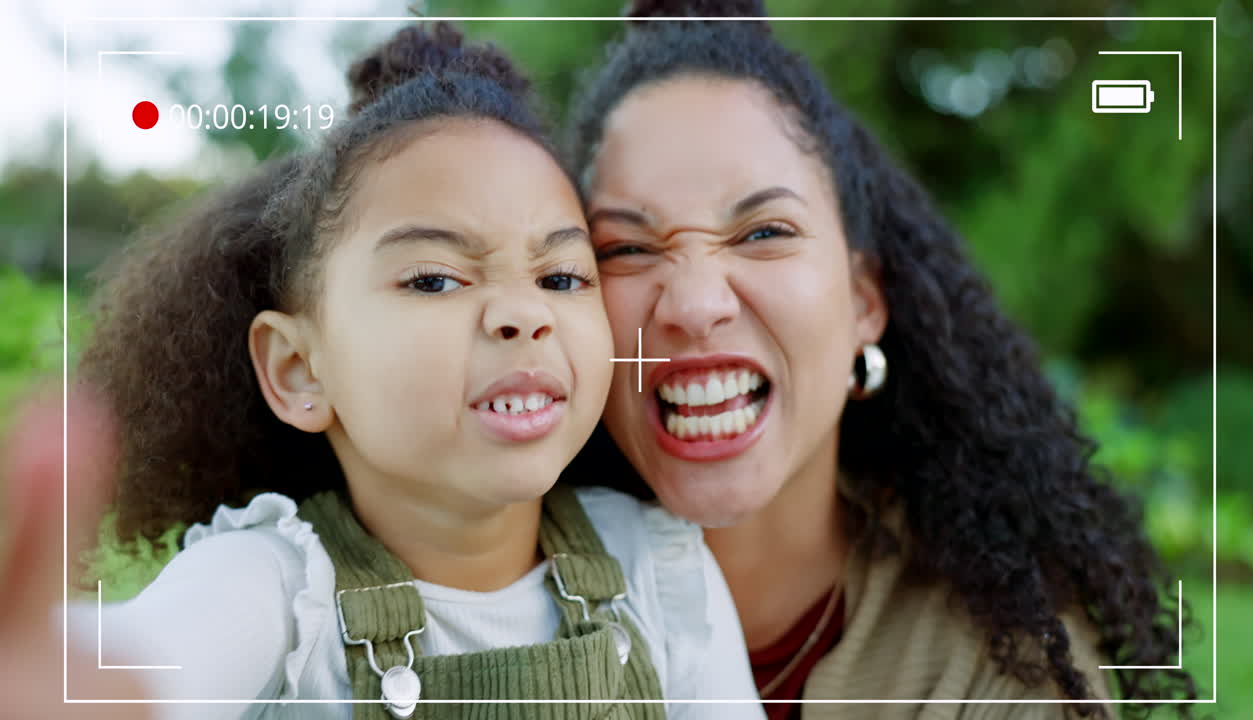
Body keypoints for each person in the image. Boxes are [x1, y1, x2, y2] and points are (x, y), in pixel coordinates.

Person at [0, 23, 761, 720]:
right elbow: (142, 662)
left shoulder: (657, 564)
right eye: (435, 280)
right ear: (299, 369)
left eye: (560, 277)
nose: (522, 313)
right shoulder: (274, 589)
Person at [560, 2, 1197, 718]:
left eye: (764, 232)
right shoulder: (488, 603)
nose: (696, 302)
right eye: (627, 248)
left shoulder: (1000, 663)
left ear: (863, 302)